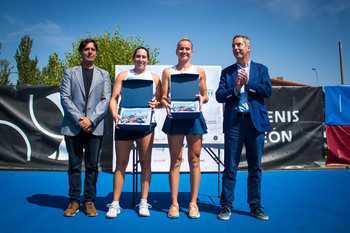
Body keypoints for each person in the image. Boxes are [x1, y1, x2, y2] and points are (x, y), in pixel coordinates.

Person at [216, 35, 272, 221]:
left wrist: (249, 84)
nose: (236, 48)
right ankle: (226, 206)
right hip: (234, 123)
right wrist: (236, 88)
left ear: (248, 48)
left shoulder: (261, 69)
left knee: (255, 167)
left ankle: (255, 206)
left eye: (239, 45)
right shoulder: (227, 72)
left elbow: (267, 91)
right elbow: (219, 96)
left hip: (255, 124)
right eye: (233, 45)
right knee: (230, 167)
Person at [106, 47, 162, 218]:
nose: (141, 59)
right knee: (121, 164)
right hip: (124, 124)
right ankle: (115, 204)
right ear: (133, 58)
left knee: (146, 163)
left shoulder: (154, 78)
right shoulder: (123, 76)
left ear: (148, 59)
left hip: (146, 126)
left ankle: (143, 203)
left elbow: (160, 102)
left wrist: (156, 104)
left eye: (144, 57)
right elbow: (114, 99)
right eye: (138, 56)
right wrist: (115, 114)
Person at [60, 39, 111, 217]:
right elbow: (65, 98)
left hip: (94, 128)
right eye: (86, 49)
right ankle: (73, 201)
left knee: (92, 167)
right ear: (81, 52)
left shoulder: (104, 75)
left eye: (93, 49)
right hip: (73, 127)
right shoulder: (69, 73)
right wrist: (79, 120)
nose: (90, 52)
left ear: (96, 52)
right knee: (74, 166)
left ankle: (89, 201)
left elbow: (106, 100)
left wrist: (91, 120)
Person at [160, 38, 209, 219]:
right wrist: (166, 104)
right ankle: (174, 204)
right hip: (175, 117)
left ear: (192, 52)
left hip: (194, 118)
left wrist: (202, 99)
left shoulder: (199, 71)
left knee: (195, 160)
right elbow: (163, 97)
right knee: (175, 161)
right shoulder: (168, 72)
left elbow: (205, 95)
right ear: (176, 51)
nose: (184, 51)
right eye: (181, 48)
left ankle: (193, 204)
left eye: (187, 49)